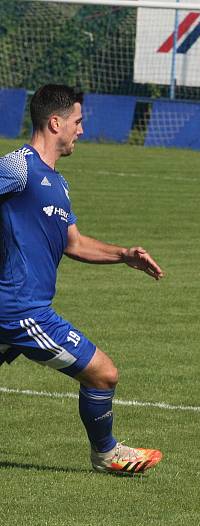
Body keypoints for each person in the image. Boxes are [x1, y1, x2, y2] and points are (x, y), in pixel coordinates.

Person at [0, 85, 164, 475]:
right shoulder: (18, 166)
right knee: (103, 373)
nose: (82, 131)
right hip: (21, 309)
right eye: (77, 121)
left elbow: (74, 242)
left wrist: (123, 255)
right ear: (55, 122)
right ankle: (107, 454)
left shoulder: (58, 183)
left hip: (18, 305)